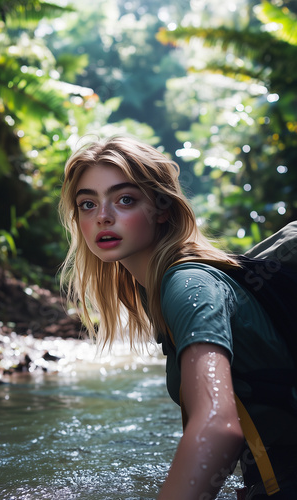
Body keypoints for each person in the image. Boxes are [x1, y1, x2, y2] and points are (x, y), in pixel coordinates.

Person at [59, 135, 297, 500]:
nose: (103, 216)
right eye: (88, 204)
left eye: (125, 199)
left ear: (162, 208)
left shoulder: (186, 284)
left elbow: (218, 425)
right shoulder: (156, 286)